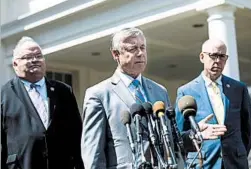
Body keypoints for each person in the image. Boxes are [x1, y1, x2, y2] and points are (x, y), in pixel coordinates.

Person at [81, 27, 173, 169]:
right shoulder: (99, 94)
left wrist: (193, 135)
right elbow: (93, 152)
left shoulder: (159, 91)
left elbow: (170, 139)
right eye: (133, 49)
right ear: (115, 54)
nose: (140, 53)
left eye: (143, 47)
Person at [1, 37, 84, 169]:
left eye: (38, 56)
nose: (34, 60)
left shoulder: (63, 91)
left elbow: (76, 133)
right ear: (15, 64)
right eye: (28, 57)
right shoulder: (4, 95)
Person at [175, 39, 251, 169]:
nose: (217, 61)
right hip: (203, 163)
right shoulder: (186, 92)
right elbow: (179, 135)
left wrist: (239, 153)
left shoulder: (238, 89)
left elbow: (247, 129)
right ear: (202, 57)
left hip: (235, 163)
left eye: (222, 56)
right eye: (213, 56)